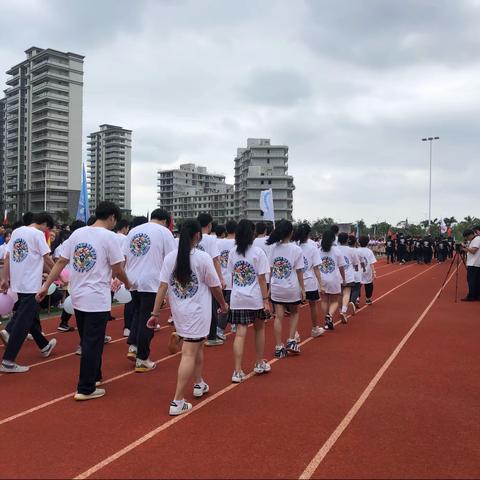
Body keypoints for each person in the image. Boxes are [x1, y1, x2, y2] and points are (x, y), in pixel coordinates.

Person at [37, 202, 131, 401]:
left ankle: (95, 377)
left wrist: (46, 286)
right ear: (113, 217)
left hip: (77, 296)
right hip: (96, 298)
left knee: (89, 340)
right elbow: (118, 269)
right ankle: (86, 387)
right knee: (92, 343)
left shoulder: (78, 234)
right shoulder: (110, 237)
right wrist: (129, 284)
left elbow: (61, 262)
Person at [146, 220, 228, 416]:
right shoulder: (202, 258)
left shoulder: (170, 258)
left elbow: (163, 287)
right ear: (197, 235)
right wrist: (223, 304)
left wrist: (155, 313)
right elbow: (215, 286)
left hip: (180, 312)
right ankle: (177, 400)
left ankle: (198, 383)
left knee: (197, 346)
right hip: (198, 312)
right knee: (189, 352)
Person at [0, 213, 57, 373]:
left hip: (18, 284)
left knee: (28, 317)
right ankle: (8, 361)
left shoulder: (17, 232)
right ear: (44, 223)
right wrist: (57, 273)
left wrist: (5, 278)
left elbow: (7, 257)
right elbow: (47, 258)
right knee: (23, 323)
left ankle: (44, 345)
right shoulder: (38, 234)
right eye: (48, 228)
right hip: (31, 285)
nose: (47, 231)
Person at [123, 208, 176, 372]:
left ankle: (133, 346)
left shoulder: (133, 231)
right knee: (149, 318)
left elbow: (124, 256)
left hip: (133, 279)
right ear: (165, 221)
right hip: (153, 282)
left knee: (138, 313)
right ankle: (142, 358)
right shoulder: (164, 232)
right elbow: (171, 258)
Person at [227, 219, 271, 383]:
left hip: (237, 298)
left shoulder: (233, 253)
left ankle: (237, 371)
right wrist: (266, 299)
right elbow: (261, 279)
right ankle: (259, 363)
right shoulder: (258, 252)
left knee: (240, 333)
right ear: (252, 234)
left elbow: (232, 276)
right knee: (259, 330)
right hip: (255, 298)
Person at [266, 220, 306, 357]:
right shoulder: (296, 249)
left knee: (278, 317)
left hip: (277, 287)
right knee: (294, 313)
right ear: (291, 233)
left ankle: (278, 346)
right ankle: (291, 340)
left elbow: (270, 270)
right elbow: (300, 271)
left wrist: (269, 287)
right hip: (291, 287)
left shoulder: (272, 248)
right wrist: (303, 289)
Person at [197, 213, 225, 346]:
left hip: (195, 276)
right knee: (212, 306)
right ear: (209, 225)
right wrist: (220, 279)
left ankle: (190, 334)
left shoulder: (193, 236)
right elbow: (215, 260)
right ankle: (211, 336)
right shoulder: (210, 239)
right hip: (208, 276)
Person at [294, 223, 324, 337]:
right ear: (308, 234)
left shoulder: (294, 247)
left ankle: (295, 333)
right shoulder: (312, 248)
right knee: (313, 306)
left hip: (296, 282)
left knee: (295, 309)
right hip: (310, 282)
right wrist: (321, 284)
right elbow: (316, 268)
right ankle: (315, 328)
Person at [56, 220, 86, 332]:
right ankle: (64, 322)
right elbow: (61, 260)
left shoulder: (70, 241)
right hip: (71, 274)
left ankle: (64, 322)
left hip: (72, 274)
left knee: (73, 298)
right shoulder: (72, 242)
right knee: (73, 299)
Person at [318, 231, 346, 330]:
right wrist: (344, 278)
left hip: (322, 279)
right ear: (333, 239)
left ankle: (327, 320)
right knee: (335, 301)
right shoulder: (337, 251)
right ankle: (329, 316)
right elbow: (341, 267)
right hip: (334, 278)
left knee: (324, 300)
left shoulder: (318, 250)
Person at [216, 220, 237, 340]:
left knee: (224, 304)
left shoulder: (219, 243)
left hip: (220, 278)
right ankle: (219, 329)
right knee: (226, 305)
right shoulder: (237, 244)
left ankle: (233, 323)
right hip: (231, 279)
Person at [337, 232, 358, 323]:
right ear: (347, 240)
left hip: (337, 275)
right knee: (347, 293)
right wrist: (356, 268)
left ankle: (340, 310)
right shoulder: (351, 250)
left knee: (339, 294)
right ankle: (344, 311)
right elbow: (356, 263)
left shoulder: (335, 249)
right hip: (348, 275)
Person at [357, 235, 377, 305]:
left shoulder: (356, 250)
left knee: (357, 285)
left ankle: (357, 298)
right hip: (367, 271)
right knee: (369, 285)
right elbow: (372, 263)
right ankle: (368, 299)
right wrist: (374, 272)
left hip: (358, 271)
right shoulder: (369, 251)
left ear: (359, 242)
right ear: (368, 242)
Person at [461, 229, 480, 301]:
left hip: (474, 263)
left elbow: (473, 251)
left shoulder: (477, 239)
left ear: (470, 234)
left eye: (467, 237)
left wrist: (465, 247)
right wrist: (462, 248)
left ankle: (471, 296)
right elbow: (471, 250)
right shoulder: (474, 240)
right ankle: (477, 295)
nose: (466, 238)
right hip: (475, 263)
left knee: (471, 280)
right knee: (476, 280)